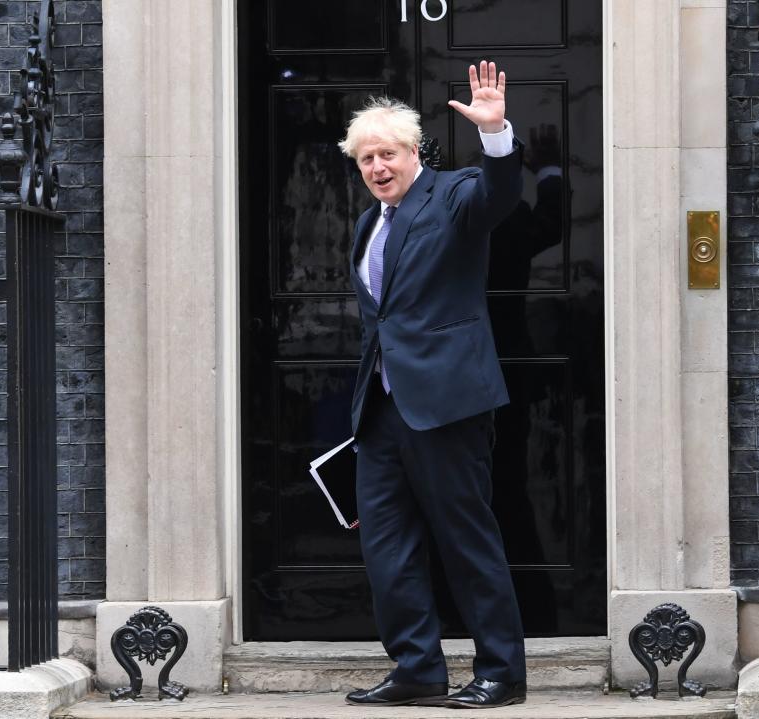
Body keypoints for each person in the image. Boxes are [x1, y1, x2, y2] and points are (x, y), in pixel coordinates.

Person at [337, 60, 527, 709]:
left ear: (411, 151)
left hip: (447, 404)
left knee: (467, 541)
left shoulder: (453, 196)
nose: (376, 167)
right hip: (383, 414)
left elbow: (499, 194)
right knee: (386, 549)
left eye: (385, 153)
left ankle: (502, 671)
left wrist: (496, 132)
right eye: (365, 159)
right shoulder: (369, 226)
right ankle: (416, 666)